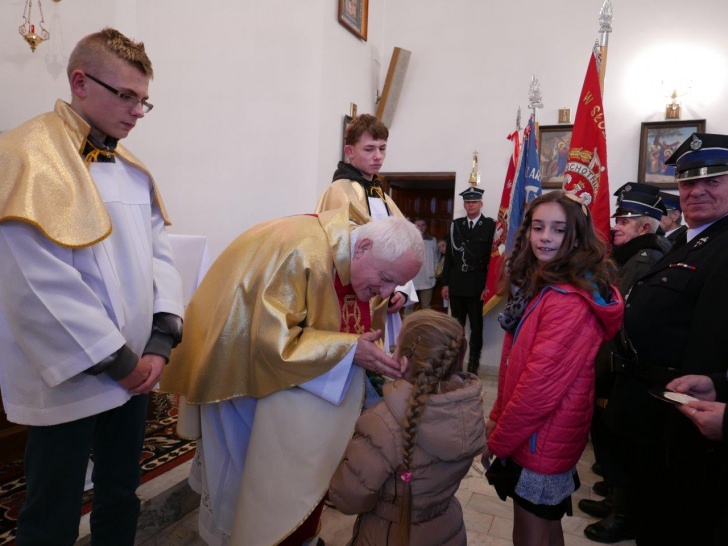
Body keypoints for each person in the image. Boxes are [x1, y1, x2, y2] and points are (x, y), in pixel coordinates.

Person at [0, 28, 184, 545]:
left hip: (137, 374)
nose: (134, 112)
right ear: (80, 82)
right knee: (52, 509)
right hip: (73, 374)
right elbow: (36, 284)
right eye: (125, 95)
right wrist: (120, 362)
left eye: (143, 101)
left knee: (121, 494)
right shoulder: (23, 157)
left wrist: (159, 342)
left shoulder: (132, 171)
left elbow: (160, 256)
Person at [159, 210, 424, 546]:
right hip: (238, 377)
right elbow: (268, 341)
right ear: (363, 247)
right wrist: (348, 351)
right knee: (241, 477)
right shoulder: (301, 252)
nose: (384, 292)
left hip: (279, 386)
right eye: (385, 278)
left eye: (394, 285)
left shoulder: (355, 251)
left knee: (276, 481)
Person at [605, 132, 728, 546]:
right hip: (656, 421)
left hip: (691, 434)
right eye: (688, 182)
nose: (697, 191)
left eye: (714, 180)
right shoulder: (686, 243)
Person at [484, 191, 623, 546]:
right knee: (545, 527)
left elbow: (537, 389)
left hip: (542, 436)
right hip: (540, 433)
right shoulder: (546, 285)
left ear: (576, 237)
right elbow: (516, 367)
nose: (545, 237)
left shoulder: (567, 300)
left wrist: (498, 440)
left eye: (558, 230)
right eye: (538, 227)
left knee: (529, 533)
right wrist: (497, 418)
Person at [328, 310, 485, 546]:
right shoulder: (468, 414)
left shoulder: (382, 424)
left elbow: (347, 498)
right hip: (447, 530)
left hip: (390, 534)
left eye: (396, 346)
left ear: (402, 363)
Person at [580, 182, 670, 543]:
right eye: (618, 217)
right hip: (613, 362)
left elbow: (619, 313)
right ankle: (617, 499)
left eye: (626, 220)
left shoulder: (643, 257)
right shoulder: (630, 254)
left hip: (621, 364)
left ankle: (624, 513)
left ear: (644, 227)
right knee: (609, 438)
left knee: (617, 439)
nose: (616, 225)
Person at [440, 187, 496, 374]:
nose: (470, 205)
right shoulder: (456, 225)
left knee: (477, 328)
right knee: (456, 328)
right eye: (467, 202)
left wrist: (488, 286)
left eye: (473, 202)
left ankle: (473, 365)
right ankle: (455, 364)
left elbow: (493, 259)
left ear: (481, 204)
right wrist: (445, 283)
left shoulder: (490, 226)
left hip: (477, 285)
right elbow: (449, 257)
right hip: (457, 283)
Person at [404, 218, 440, 314]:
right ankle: (407, 327)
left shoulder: (432, 240)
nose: (420, 228)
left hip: (427, 278)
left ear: (426, 226)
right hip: (411, 279)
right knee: (409, 307)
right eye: (418, 225)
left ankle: (426, 327)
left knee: (426, 307)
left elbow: (436, 259)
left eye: (423, 225)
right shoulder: (407, 240)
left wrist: (435, 274)